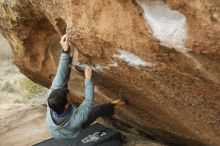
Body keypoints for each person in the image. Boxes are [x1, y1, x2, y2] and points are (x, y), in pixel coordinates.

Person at [46, 34, 128, 139]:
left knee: (62, 83)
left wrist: (65, 51)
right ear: (66, 105)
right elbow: (89, 101)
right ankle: (113, 104)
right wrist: (88, 79)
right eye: (68, 96)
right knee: (96, 111)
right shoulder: (77, 120)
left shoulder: (52, 99)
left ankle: (108, 109)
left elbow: (60, 76)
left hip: (59, 124)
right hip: (72, 130)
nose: (69, 93)